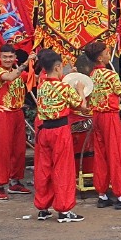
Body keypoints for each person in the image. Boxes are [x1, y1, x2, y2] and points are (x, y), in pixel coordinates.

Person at [82, 42, 121, 211]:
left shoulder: (91, 75)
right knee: (117, 154)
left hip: (96, 118)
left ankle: (102, 194)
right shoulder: (110, 75)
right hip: (109, 117)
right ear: (100, 57)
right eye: (107, 53)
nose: (110, 55)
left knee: (100, 155)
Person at [32, 49, 89, 223]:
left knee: (44, 169)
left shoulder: (42, 85)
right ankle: (64, 210)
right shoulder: (63, 87)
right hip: (60, 131)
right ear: (57, 68)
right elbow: (83, 106)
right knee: (63, 169)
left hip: (44, 131)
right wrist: (80, 89)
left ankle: (43, 207)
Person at [0, 45, 33, 201]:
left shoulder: (20, 73)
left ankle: (15, 182)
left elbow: (36, 79)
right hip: (4, 113)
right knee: (3, 150)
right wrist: (27, 62)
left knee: (19, 150)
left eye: (10, 57)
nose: (7, 59)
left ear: (15, 58)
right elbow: (10, 77)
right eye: (5, 57)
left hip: (18, 113)